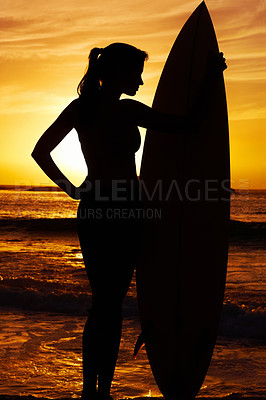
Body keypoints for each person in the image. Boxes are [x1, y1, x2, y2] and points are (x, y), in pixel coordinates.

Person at [31, 42, 226, 400]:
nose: (139, 79)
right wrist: (211, 78)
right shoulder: (126, 111)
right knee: (111, 303)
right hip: (126, 209)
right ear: (118, 73)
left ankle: (94, 391)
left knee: (104, 303)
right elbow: (189, 125)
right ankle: (98, 391)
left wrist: (73, 190)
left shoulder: (82, 109)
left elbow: (39, 152)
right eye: (135, 71)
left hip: (95, 207)